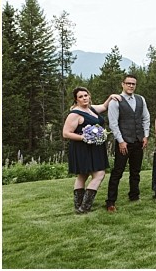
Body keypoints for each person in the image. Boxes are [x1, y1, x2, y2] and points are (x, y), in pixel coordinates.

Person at [62, 86, 121, 214]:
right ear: (76, 100)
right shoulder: (75, 114)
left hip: (95, 148)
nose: (84, 98)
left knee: (83, 175)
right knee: (99, 174)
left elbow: (104, 107)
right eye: (81, 97)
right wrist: (83, 137)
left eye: (86, 95)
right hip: (82, 148)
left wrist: (111, 97)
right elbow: (66, 133)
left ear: (89, 96)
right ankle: (84, 207)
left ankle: (79, 206)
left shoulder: (91, 109)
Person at [105, 74, 150, 212]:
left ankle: (134, 195)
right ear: (122, 84)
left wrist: (146, 135)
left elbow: (146, 118)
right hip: (123, 142)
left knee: (135, 171)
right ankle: (111, 202)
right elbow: (113, 124)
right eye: (128, 83)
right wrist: (120, 141)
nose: (131, 86)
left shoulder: (140, 99)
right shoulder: (115, 101)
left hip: (138, 141)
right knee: (117, 172)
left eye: (133, 84)